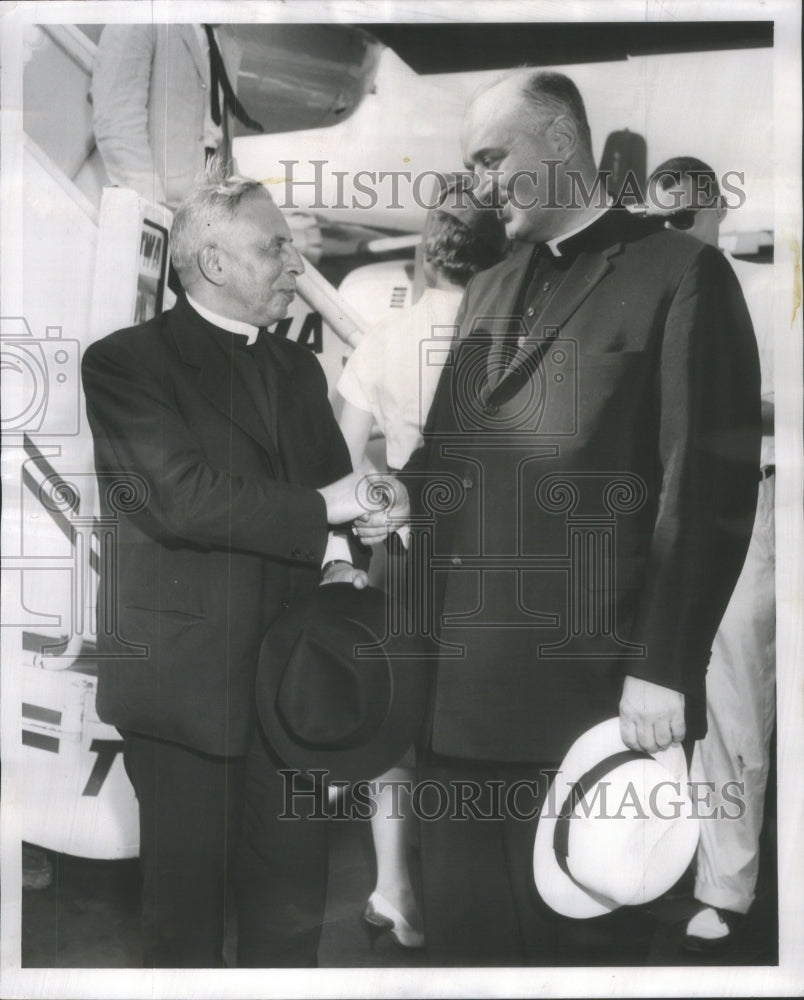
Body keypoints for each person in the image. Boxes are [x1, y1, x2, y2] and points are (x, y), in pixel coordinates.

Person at [357, 70, 762, 965]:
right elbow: (447, 458)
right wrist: (381, 498)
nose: (480, 183)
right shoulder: (489, 286)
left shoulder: (682, 274)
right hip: (458, 703)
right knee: (467, 955)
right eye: (471, 165)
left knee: (574, 961)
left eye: (492, 158)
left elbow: (708, 487)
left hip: (591, 705)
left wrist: (664, 665)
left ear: (560, 143)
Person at [81, 163, 391, 967]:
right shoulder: (122, 364)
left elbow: (333, 494)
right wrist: (328, 511)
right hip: (186, 700)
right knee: (183, 932)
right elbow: (182, 498)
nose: (296, 266)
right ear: (214, 262)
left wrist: (337, 562)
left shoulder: (296, 366)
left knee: (290, 920)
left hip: (290, 698)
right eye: (277, 247)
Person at [336, 195, 506, 949]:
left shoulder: (385, 336)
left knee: (396, 723)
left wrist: (384, 513)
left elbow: (341, 459)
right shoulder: (509, 339)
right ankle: (463, 897)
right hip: (486, 551)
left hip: (401, 554)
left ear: (427, 254)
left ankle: (393, 886)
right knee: (470, 726)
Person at [648, 157, 776, 954]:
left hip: (758, 499)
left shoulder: (754, 292)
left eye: (679, 216)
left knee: (735, 699)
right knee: (717, 697)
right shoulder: (682, 289)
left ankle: (725, 881)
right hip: (710, 506)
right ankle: (713, 883)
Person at [91, 24, 260, 210]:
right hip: (160, 207)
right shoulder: (139, 16)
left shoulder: (224, 37)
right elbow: (118, 124)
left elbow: (214, 136)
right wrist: (154, 210)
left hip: (204, 213)